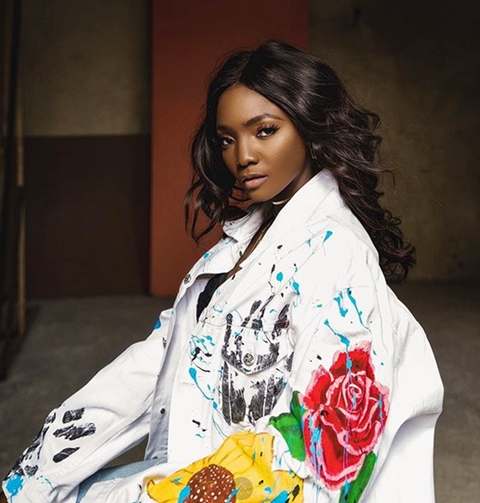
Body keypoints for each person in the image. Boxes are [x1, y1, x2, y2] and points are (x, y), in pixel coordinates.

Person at [1, 40, 443, 503]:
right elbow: (149, 369)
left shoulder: (338, 256)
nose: (242, 156)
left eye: (265, 131)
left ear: (310, 128)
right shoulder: (241, 244)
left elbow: (319, 466)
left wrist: (154, 496)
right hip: (199, 470)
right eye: (227, 139)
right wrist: (27, 482)